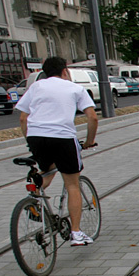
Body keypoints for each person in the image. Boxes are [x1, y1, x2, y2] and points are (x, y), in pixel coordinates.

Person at [15, 57, 98, 246]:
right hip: (63, 138)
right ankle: (76, 234)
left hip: (37, 137)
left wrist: (31, 141)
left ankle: (33, 197)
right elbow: (92, 117)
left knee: (48, 168)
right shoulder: (75, 88)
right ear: (65, 71)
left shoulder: (35, 87)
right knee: (72, 185)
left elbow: (22, 118)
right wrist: (89, 141)